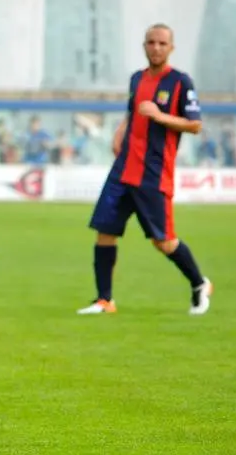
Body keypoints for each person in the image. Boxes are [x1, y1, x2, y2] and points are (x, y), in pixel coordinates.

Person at [79, 24, 212, 315]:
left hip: (153, 173)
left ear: (171, 47)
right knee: (104, 231)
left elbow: (195, 125)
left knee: (163, 242)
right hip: (124, 168)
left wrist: (160, 115)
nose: (156, 47)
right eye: (151, 42)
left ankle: (199, 283)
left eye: (162, 43)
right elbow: (133, 111)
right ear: (144, 45)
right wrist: (120, 131)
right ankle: (105, 300)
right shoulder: (137, 79)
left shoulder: (181, 82)